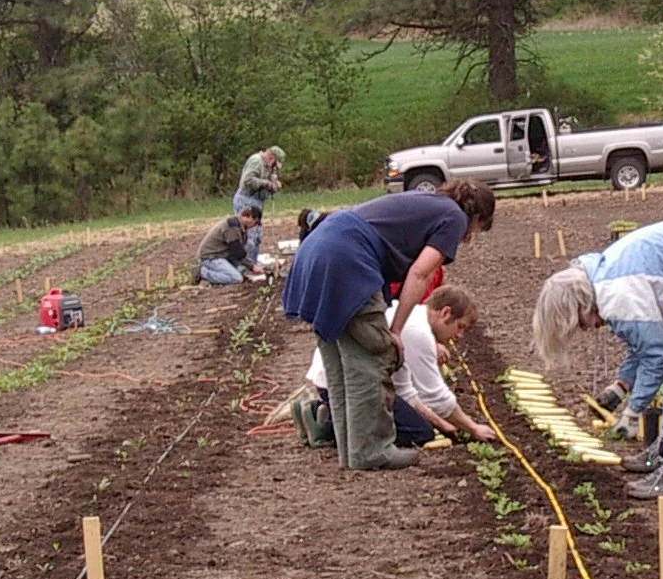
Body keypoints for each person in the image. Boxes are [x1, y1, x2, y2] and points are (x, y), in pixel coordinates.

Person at [282, 182, 494, 471]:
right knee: (371, 356)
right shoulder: (454, 216)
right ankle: (371, 450)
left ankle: (350, 449)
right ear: (477, 216)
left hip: (318, 248)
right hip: (347, 259)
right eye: (475, 231)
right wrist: (395, 329)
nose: (467, 237)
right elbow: (421, 272)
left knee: (340, 362)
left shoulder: (426, 201)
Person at [531, 216, 663, 499]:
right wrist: (621, 386)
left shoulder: (616, 292)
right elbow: (642, 344)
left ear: (578, 307)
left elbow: (655, 356)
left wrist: (631, 413)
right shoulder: (603, 277)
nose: (588, 329)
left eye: (580, 324)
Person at [296, 285, 496, 449]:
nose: (459, 336)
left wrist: (442, 424)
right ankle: (328, 424)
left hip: (339, 378)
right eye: (460, 327)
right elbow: (435, 396)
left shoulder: (414, 318)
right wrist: (473, 428)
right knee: (417, 433)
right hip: (343, 383)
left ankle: (326, 413)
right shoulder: (418, 332)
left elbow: (404, 389)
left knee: (421, 427)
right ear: (445, 313)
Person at [195, 200, 265, 284]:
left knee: (250, 245)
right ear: (250, 217)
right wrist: (253, 266)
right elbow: (237, 251)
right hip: (210, 257)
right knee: (236, 278)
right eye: (255, 222)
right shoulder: (232, 227)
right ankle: (202, 273)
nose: (254, 225)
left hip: (221, 254)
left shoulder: (240, 225)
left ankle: (232, 270)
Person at [234, 146, 286, 261]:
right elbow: (248, 180)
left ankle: (253, 263)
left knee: (257, 236)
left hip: (257, 201)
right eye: (274, 164)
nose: (274, 168)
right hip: (246, 200)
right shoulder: (256, 161)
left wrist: (274, 184)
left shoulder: (267, 166)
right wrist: (266, 183)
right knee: (249, 236)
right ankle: (245, 267)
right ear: (271, 158)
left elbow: (266, 180)